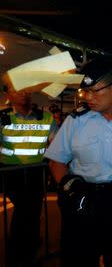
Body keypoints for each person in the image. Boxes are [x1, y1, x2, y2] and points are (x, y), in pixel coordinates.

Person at [44, 59, 112, 266]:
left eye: (95, 91)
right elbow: (56, 161)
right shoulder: (75, 121)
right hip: (83, 200)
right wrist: (70, 186)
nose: (88, 98)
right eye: (85, 92)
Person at [0, 78, 57, 266]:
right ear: (8, 95)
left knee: (32, 210)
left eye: (26, 89)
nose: (23, 93)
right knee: (26, 209)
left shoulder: (46, 117)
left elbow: (56, 143)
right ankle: (18, 251)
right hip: (12, 173)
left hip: (37, 174)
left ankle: (28, 246)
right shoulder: (2, 116)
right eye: (17, 90)